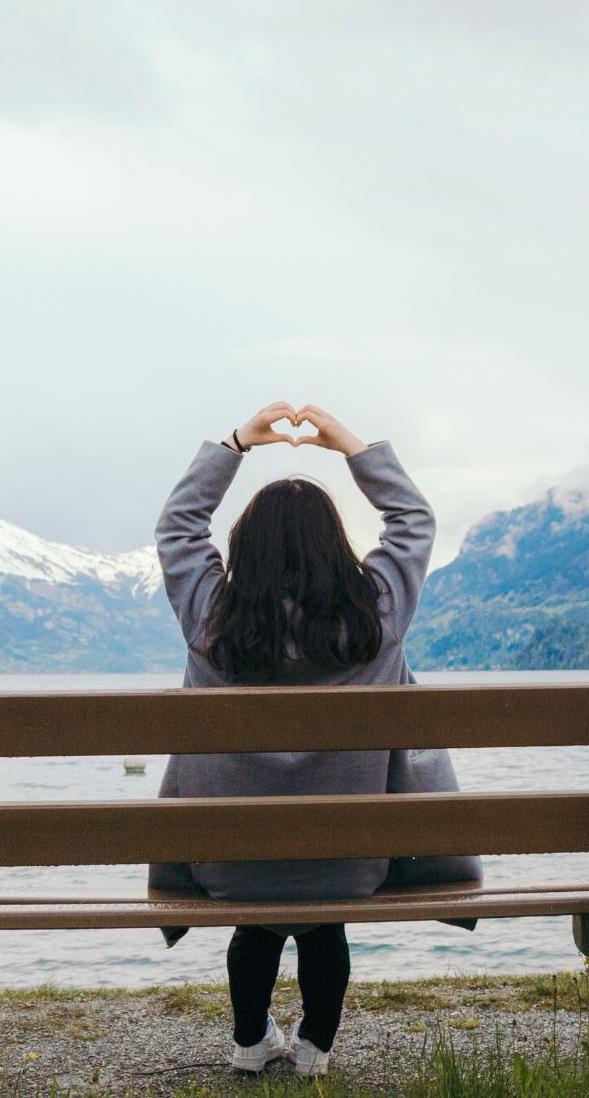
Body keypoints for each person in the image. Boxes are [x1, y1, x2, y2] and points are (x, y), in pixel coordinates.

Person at [148, 402, 478, 1077]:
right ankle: (315, 1049)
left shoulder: (211, 618)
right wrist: (347, 445)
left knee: (256, 918)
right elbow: (414, 522)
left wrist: (237, 443)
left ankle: (249, 1045)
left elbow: (178, 527)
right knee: (325, 919)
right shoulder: (377, 615)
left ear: (244, 547)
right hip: (352, 866)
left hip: (228, 866)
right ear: (336, 544)